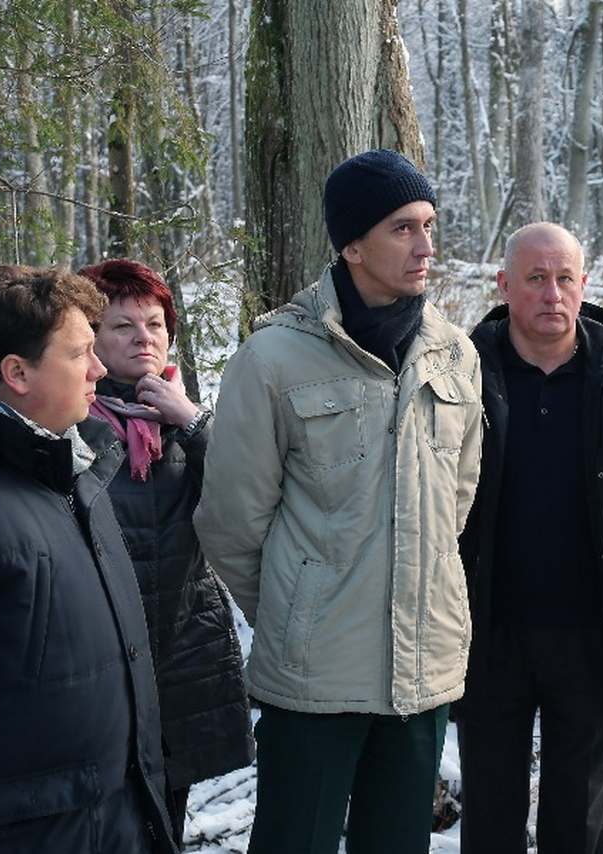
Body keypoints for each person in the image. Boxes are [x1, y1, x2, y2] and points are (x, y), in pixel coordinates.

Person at [194, 149, 483, 854]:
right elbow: (232, 521)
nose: (425, 246)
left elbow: (457, 499)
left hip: (422, 670)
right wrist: (301, 609)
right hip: (313, 679)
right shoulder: (274, 358)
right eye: (403, 228)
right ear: (352, 245)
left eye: (429, 225)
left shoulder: (454, 353)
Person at [0, 266, 177, 854]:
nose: (99, 369)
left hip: (112, 826)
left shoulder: (72, 469)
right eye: (79, 353)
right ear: (17, 373)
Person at [456, 222, 603, 853]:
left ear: (584, 284)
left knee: (579, 819)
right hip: (487, 628)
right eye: (536, 278)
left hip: (591, 629)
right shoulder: (466, 373)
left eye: (565, 278)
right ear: (504, 286)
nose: (552, 294)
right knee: (489, 811)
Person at [77, 259, 253, 843]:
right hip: (99, 658)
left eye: (155, 324)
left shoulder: (183, 422)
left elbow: (252, 494)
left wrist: (194, 423)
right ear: (89, 336)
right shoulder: (71, 420)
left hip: (181, 650)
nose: (144, 338)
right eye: (123, 326)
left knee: (166, 820)